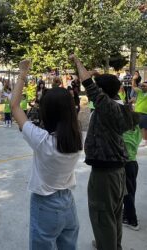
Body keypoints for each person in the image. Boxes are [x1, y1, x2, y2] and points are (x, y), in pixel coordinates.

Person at [11, 60, 82, 250]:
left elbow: (15, 107)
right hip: (68, 203)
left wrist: (22, 73)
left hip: (45, 205)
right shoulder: (75, 139)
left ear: (46, 112)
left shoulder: (43, 141)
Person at [70, 54, 132, 250]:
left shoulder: (107, 107)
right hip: (118, 171)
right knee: (114, 212)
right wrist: (100, 75)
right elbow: (98, 84)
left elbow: (88, 83)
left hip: (105, 175)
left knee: (102, 214)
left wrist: (77, 61)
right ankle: (112, 244)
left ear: (103, 93)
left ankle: (107, 245)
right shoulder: (119, 105)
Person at [122, 112, 142, 231]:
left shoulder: (125, 135)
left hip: (126, 165)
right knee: (131, 190)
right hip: (134, 164)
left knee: (127, 193)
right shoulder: (137, 131)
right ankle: (127, 213)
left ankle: (132, 220)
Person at [132, 75, 147, 147]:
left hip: (145, 113)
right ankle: (141, 139)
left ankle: (144, 141)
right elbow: (134, 87)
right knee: (139, 126)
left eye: (145, 86)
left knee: (144, 127)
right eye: (142, 86)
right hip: (137, 112)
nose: (143, 87)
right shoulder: (140, 92)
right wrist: (134, 80)